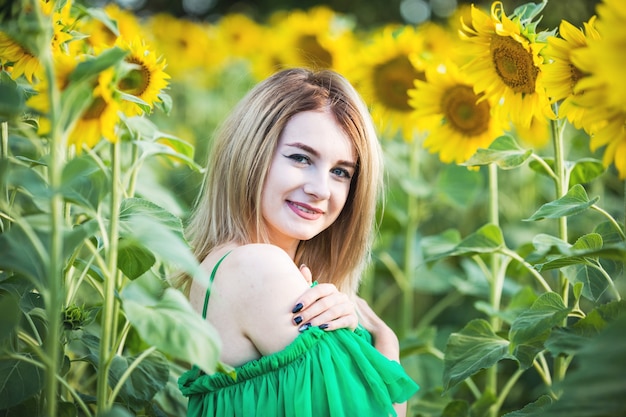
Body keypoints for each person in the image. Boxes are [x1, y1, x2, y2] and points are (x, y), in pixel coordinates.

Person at [175, 67, 419, 416]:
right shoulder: (257, 267)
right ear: (251, 153)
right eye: (301, 158)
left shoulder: (227, 265)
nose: (320, 189)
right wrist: (386, 343)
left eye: (340, 172)